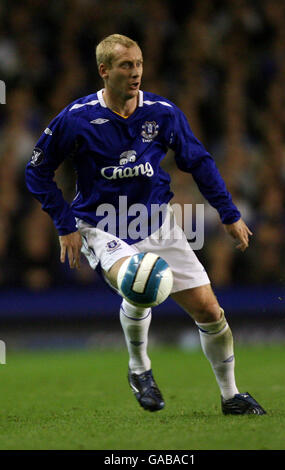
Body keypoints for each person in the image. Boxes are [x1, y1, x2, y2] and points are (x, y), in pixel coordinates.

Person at [25, 34, 266, 415]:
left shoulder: (162, 112)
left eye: (138, 64)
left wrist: (229, 213)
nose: (136, 72)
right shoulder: (76, 118)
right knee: (139, 281)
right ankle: (140, 369)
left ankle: (231, 395)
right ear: (104, 71)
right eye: (125, 65)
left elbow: (199, 162)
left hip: (158, 223)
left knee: (210, 311)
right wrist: (64, 223)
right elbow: (37, 171)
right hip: (101, 226)